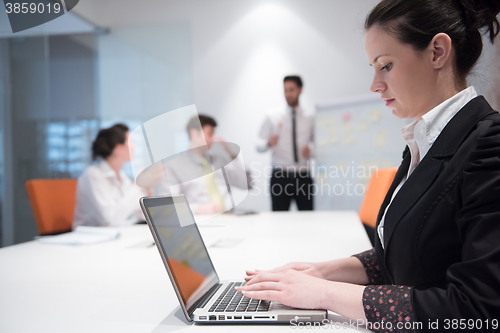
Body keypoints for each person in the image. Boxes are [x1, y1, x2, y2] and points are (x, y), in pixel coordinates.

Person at [237, 1, 500, 332]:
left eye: (385, 65)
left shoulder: (489, 144)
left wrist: (327, 294)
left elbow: (479, 310)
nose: (375, 84)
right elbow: (406, 254)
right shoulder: (425, 141)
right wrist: (322, 272)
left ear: (437, 52)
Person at [157, 115, 249, 215]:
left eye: (214, 134)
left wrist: (232, 155)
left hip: (230, 217)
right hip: (200, 220)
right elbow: (169, 204)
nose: (213, 139)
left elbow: (246, 184)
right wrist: (198, 209)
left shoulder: (220, 160)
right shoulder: (173, 166)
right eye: (209, 134)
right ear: (194, 134)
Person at [257, 75, 315, 211]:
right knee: (279, 221)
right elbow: (258, 144)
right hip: (280, 177)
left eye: (291, 90)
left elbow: (319, 143)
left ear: (300, 90)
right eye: (285, 90)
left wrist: (312, 151)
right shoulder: (272, 115)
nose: (288, 94)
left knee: (308, 219)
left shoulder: (310, 116)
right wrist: (268, 143)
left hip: (303, 176)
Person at [73, 124, 146, 228]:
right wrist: (137, 185)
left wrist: (147, 193)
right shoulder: (93, 174)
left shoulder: (121, 175)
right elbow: (111, 220)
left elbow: (138, 211)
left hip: (111, 234)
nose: (135, 147)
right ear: (118, 149)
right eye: (131, 142)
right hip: (89, 237)